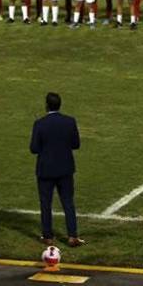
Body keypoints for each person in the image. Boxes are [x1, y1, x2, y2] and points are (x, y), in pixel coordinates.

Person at [31, 92, 83, 247]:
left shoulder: (40, 123)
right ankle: (72, 236)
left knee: (46, 203)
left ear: (46, 105)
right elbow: (76, 144)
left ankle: (48, 236)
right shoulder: (69, 121)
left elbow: (34, 148)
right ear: (60, 105)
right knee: (68, 202)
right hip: (65, 168)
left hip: (46, 169)